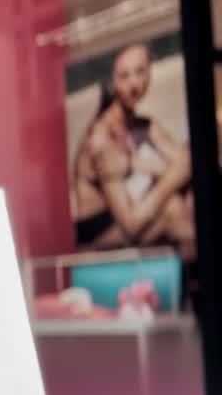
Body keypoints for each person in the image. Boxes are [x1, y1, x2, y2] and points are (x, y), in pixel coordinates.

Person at [72, 43, 194, 259]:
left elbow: (189, 161)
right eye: (124, 76)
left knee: (190, 198)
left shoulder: (141, 125)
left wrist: (163, 172)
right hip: (97, 232)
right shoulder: (104, 138)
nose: (135, 83)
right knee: (172, 208)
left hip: (123, 218)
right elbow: (131, 224)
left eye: (140, 72)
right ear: (113, 82)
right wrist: (169, 179)